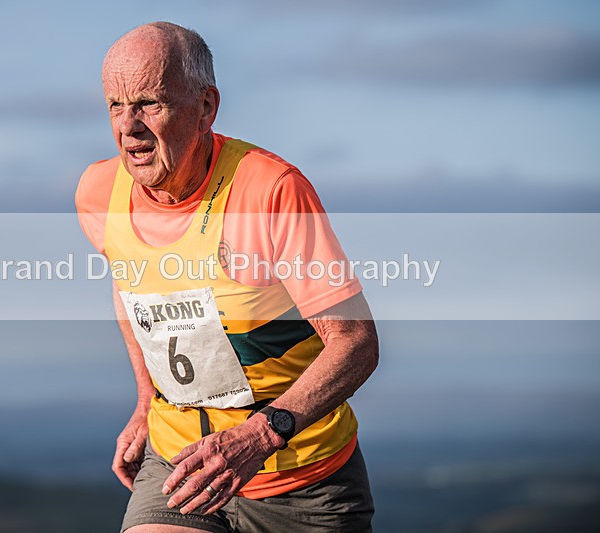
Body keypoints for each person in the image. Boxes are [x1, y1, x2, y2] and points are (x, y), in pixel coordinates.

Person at [76, 21, 379, 533]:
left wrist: (259, 436)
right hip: (182, 466)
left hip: (302, 482)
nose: (128, 126)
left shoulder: (270, 190)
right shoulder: (99, 191)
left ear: (205, 108)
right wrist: (146, 399)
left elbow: (355, 342)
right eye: (115, 105)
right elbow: (129, 285)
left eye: (149, 103)